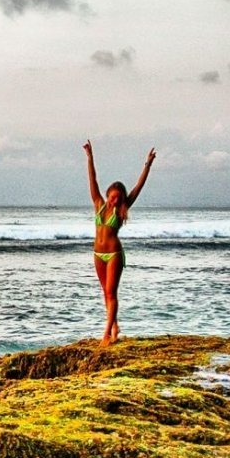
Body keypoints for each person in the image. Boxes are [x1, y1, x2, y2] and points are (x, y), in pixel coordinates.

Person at [83, 140, 156, 346]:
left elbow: (137, 187)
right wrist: (90, 157)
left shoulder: (122, 208)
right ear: (107, 195)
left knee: (111, 292)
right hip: (97, 254)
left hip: (114, 254)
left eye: (118, 198)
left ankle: (106, 334)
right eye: (113, 197)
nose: (115, 200)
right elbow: (93, 179)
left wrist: (147, 165)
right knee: (104, 292)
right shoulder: (98, 203)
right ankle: (115, 327)